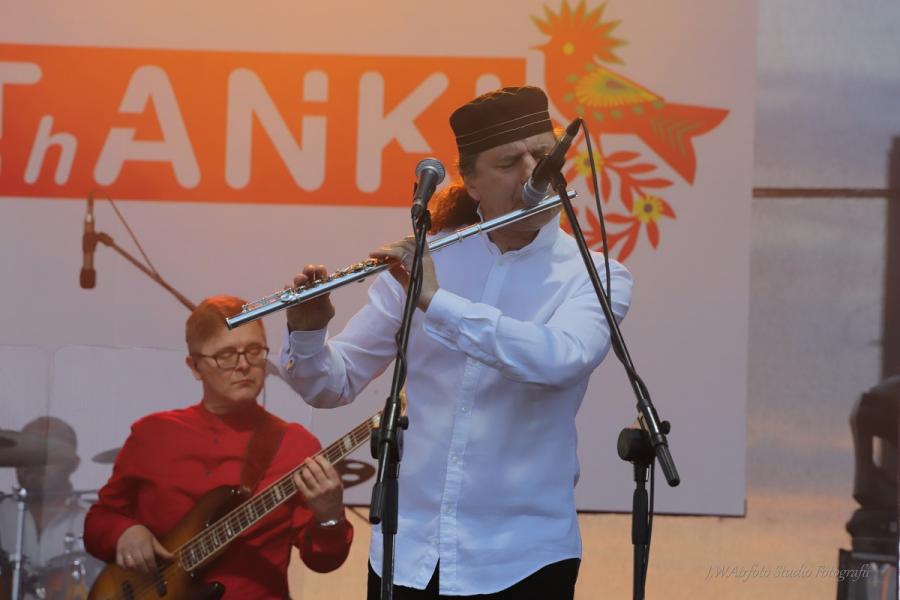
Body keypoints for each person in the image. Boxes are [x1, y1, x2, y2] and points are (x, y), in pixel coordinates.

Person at [281, 86, 633, 599]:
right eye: (509, 163)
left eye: (544, 154)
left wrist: (436, 302)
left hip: (524, 560)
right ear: (471, 181)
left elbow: (559, 358)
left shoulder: (596, 276)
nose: (533, 173)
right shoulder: (428, 259)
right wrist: (309, 333)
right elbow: (332, 385)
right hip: (408, 553)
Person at [83, 295, 353, 599]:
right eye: (226, 355)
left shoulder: (296, 445)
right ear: (195, 366)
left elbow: (323, 561)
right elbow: (99, 521)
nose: (243, 365)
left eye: (254, 351)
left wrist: (330, 518)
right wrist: (123, 533)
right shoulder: (152, 433)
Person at [0, 416, 98, 598]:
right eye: (26, 452)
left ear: (73, 464)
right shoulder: (1, 513)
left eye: (47, 452)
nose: (34, 461)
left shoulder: (95, 521)